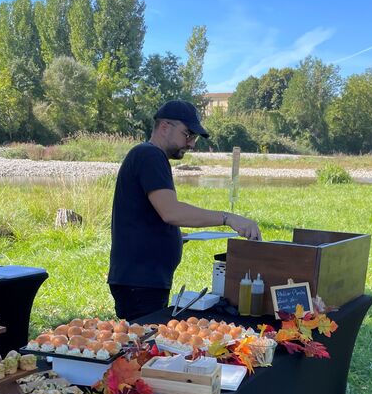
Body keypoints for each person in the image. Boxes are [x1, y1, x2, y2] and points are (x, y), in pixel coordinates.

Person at [108, 99, 262, 320]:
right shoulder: (150, 155)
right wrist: (228, 218)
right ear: (164, 127)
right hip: (140, 282)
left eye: (194, 138)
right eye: (187, 134)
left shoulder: (148, 156)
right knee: (141, 348)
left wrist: (170, 235)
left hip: (141, 280)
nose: (191, 144)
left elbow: (147, 213)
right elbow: (171, 212)